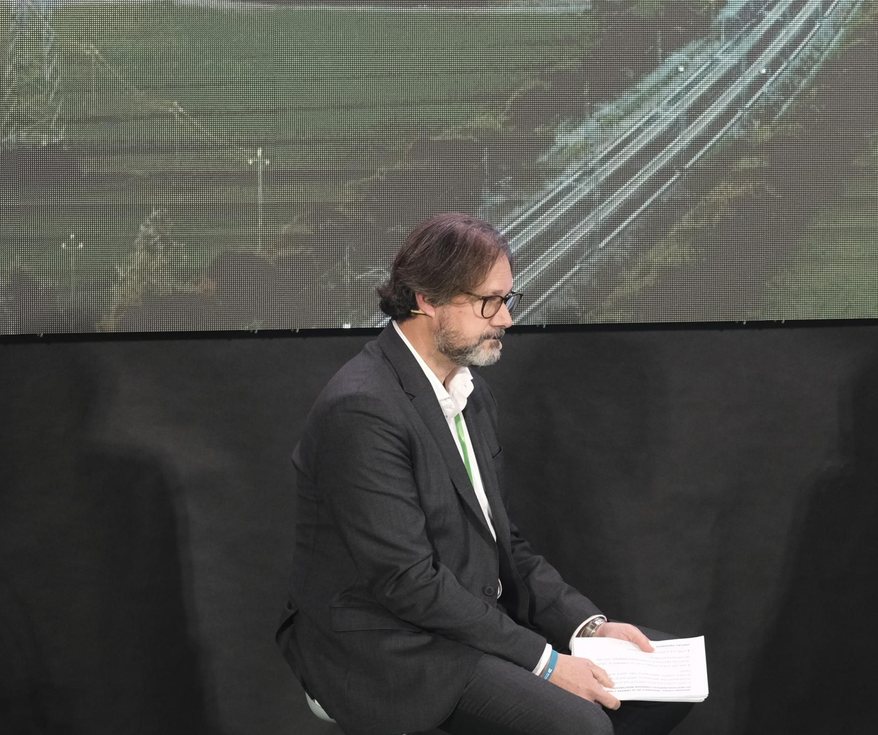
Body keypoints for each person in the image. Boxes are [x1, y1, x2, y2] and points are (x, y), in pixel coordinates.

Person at [277, 213, 692, 735]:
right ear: (426, 298)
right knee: (578, 724)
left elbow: (504, 544)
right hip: (383, 645)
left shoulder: (469, 395)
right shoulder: (363, 408)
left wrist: (590, 627)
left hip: (456, 622)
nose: (506, 320)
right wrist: (548, 662)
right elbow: (407, 581)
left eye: (507, 300)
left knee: (660, 686)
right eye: (488, 302)